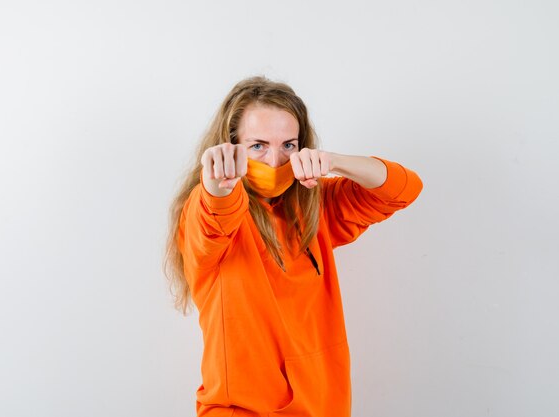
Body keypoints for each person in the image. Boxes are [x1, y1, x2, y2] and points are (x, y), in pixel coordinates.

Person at [164, 76, 423, 417]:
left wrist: (333, 162)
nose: (275, 161)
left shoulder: (318, 206)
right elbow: (214, 214)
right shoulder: (208, 210)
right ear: (231, 147)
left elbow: (404, 189)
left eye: (288, 145)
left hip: (323, 407)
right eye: (258, 145)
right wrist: (216, 184)